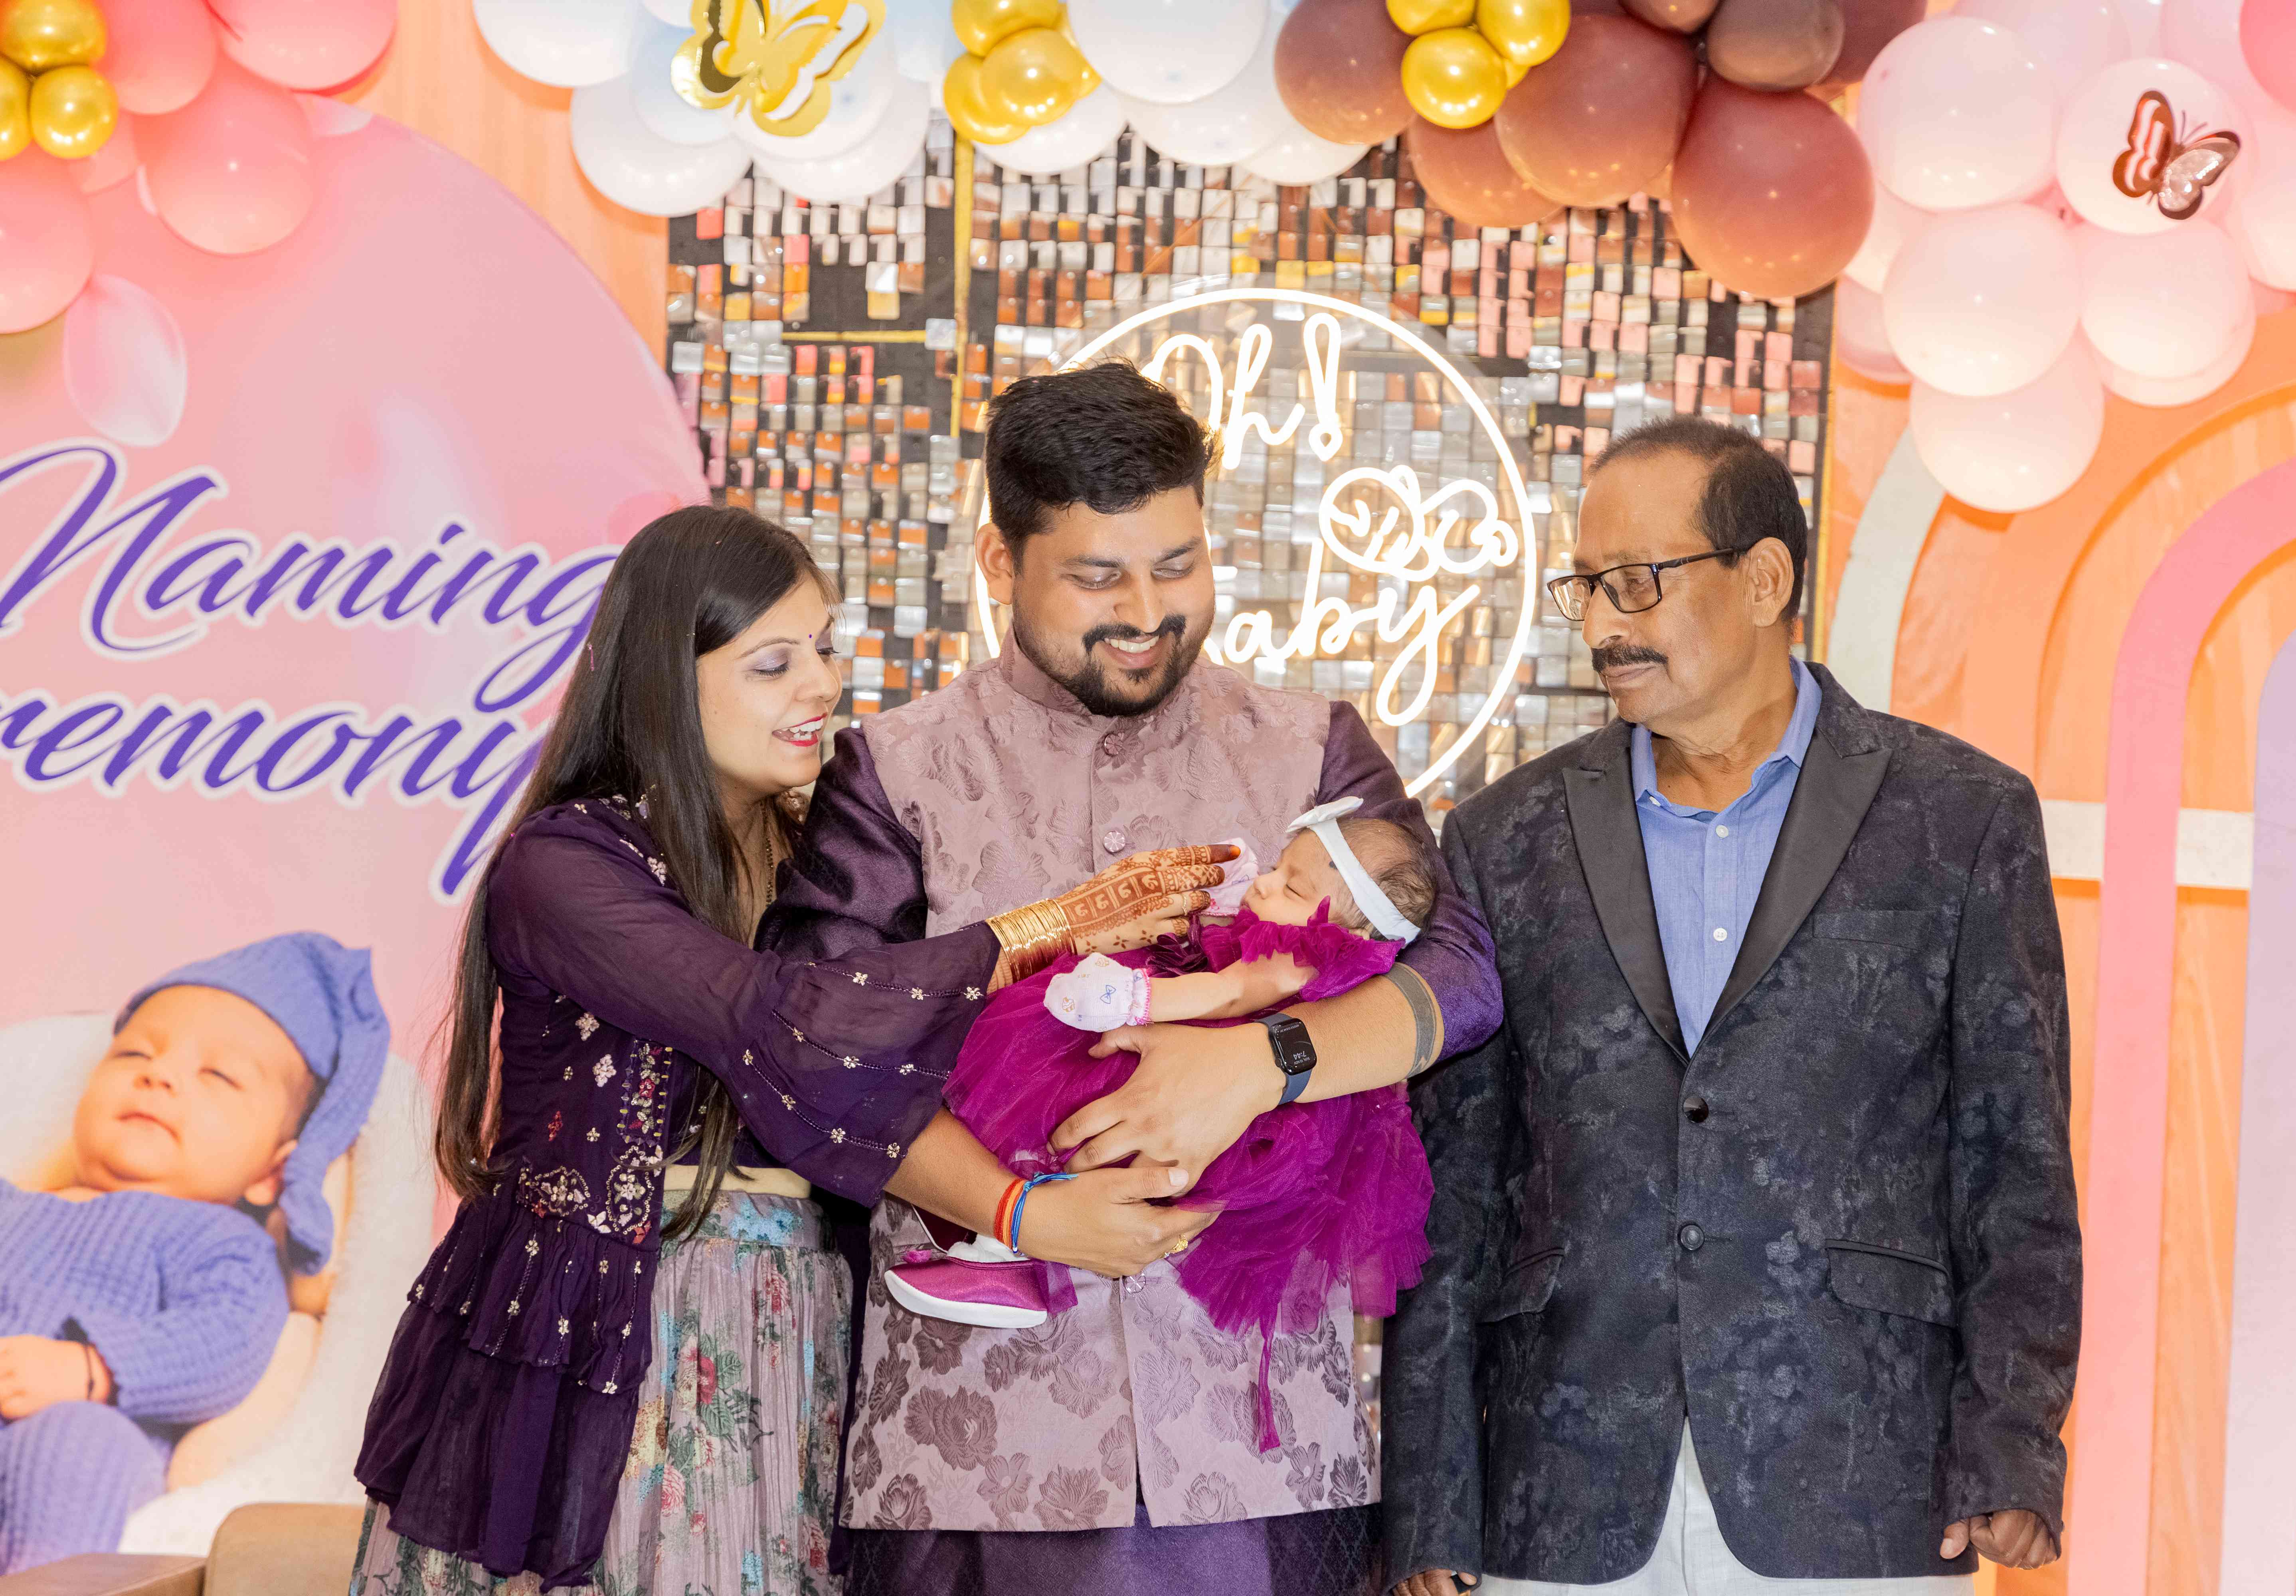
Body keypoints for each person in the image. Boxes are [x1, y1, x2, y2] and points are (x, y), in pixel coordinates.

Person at [347, 506, 1227, 1594]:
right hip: (606, 1339)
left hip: (798, 1330)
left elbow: (930, 1066)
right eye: (773, 664)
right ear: (665, 681)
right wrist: (1052, 925)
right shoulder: (564, 866)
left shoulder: (832, 855)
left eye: (822, 649)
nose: (821, 686)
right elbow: (778, 1019)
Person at [775, 362, 1501, 1596]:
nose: (1149, 612)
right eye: (1099, 578)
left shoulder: (1311, 747)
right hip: (980, 1452)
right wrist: (1022, 1215)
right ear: (1001, 564)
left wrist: (1260, 1064)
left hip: (1263, 1447)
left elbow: (1462, 972)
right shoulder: (896, 771)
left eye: (1178, 566)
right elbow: (818, 1058)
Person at [1384, 417, 2082, 1596]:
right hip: (1561, 1493)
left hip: (1863, 1483)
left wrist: (2012, 1438)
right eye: (1587, 588)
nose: (1602, 626)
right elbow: (1454, 1191)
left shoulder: (1963, 817)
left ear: (1764, 580)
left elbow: (2017, 1162)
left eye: (1636, 583)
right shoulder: (1506, 837)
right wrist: (1430, 1511)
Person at [887, 800, 1440, 1456]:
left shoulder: (1301, 956)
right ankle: (1006, 1244)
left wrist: (1132, 998)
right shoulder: (1307, 942)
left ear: (1351, 927)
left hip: (1227, 1098)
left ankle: (1011, 1258)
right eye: (1279, 870)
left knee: (1064, 1096)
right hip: (1217, 1086)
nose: (1267, 886)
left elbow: (1226, 994)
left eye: (1291, 888)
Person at [0, 932, 386, 1573]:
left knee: (78, 1447)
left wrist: (92, 1370)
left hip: (81, 1420)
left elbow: (222, 1339)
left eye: (218, 1075)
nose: (158, 1075)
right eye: (133, 1054)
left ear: (272, 1173)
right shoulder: (14, 1203)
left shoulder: (225, 1245)